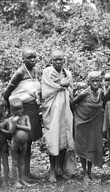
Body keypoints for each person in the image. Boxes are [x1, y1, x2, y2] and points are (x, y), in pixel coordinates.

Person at [3, 47, 43, 180]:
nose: (32, 60)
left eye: (34, 57)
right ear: (23, 59)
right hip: (21, 108)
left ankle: (27, 172)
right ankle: (19, 174)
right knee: (20, 139)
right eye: (29, 58)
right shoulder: (20, 72)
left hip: (32, 107)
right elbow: (6, 93)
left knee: (29, 139)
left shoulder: (36, 71)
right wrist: (12, 108)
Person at [41, 50, 75, 183]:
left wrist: (65, 85)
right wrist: (61, 84)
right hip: (52, 110)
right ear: (51, 61)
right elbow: (46, 90)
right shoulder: (47, 72)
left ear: (64, 60)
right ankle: (53, 172)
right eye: (55, 59)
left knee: (63, 139)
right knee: (53, 138)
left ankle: (61, 169)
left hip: (65, 110)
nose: (58, 61)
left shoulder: (68, 73)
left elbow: (71, 90)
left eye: (60, 59)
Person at [71, 71, 104, 182]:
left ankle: (90, 172)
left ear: (100, 82)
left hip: (94, 124)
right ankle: (85, 172)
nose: (95, 83)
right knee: (83, 146)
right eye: (93, 81)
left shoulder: (101, 93)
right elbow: (72, 104)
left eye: (97, 81)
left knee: (92, 146)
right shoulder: (84, 94)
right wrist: (78, 116)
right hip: (82, 123)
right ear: (88, 82)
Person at [9, 98, 31, 188]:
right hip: (15, 143)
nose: (19, 111)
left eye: (20, 109)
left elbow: (29, 128)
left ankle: (21, 179)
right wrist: (14, 123)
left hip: (24, 144)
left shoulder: (26, 117)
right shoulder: (11, 119)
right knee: (14, 162)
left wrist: (18, 125)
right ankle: (15, 181)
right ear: (12, 110)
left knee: (21, 162)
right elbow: (11, 131)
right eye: (16, 109)